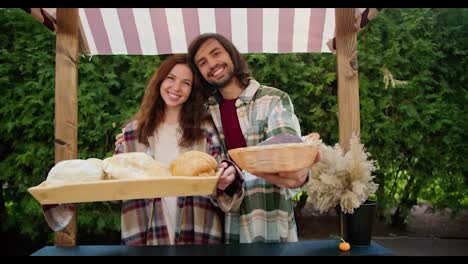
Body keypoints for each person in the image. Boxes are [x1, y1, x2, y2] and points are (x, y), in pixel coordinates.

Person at [117, 33, 320, 243]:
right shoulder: (205, 113)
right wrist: (130, 137)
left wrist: (240, 169)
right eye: (202, 62)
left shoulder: (273, 100)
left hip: (269, 223)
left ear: (231, 54)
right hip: (226, 230)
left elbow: (295, 174)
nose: (212, 64)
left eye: (216, 53)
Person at [42, 54, 239, 245]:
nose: (176, 87)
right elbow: (116, 191)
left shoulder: (205, 131)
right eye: (171, 78)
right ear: (160, 81)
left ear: (192, 90)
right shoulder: (132, 133)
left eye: (186, 83)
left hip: (197, 229)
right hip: (143, 231)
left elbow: (219, 185)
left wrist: (224, 181)